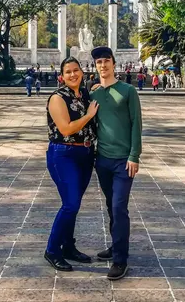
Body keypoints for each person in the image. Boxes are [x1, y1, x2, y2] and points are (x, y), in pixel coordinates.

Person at [90, 46, 142, 281]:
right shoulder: (94, 94)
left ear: (114, 63)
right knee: (111, 206)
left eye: (106, 61)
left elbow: (136, 124)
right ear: (95, 66)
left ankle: (120, 259)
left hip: (123, 161)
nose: (103, 65)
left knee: (120, 207)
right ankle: (115, 245)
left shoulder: (128, 91)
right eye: (99, 62)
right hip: (103, 160)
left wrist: (134, 155)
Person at [44, 57, 98, 272]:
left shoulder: (85, 95)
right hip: (63, 154)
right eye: (68, 72)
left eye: (76, 70)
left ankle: (68, 246)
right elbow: (66, 129)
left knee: (73, 203)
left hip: (85, 153)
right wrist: (89, 115)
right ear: (62, 76)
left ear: (82, 72)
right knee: (71, 204)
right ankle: (52, 250)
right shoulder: (58, 98)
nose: (73, 74)